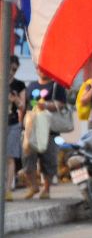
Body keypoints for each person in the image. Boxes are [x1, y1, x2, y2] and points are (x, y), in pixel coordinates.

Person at [23, 69, 68, 199]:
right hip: (32, 128)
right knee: (27, 157)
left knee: (49, 160)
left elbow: (61, 104)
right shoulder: (31, 85)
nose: (42, 72)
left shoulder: (56, 86)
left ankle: (46, 189)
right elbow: (27, 105)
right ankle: (33, 186)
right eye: (39, 69)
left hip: (50, 130)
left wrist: (47, 105)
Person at [6, 56, 24, 201]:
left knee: (10, 157)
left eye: (14, 69)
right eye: (10, 68)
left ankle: (7, 190)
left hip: (12, 123)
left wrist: (15, 99)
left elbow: (23, 105)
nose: (12, 72)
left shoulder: (19, 85)